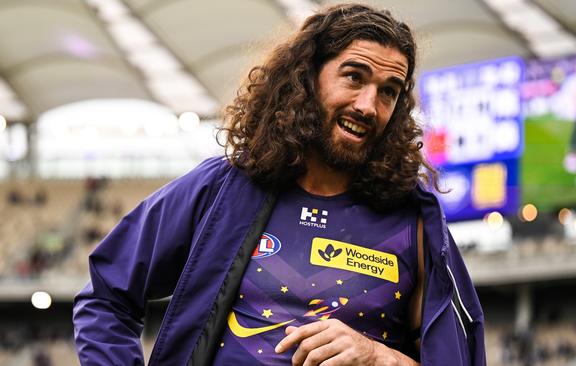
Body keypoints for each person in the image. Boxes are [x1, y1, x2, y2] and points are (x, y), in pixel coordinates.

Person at [72, 3, 485, 365]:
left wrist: (380, 357)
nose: (367, 106)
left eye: (388, 92)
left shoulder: (416, 223)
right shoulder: (221, 190)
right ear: (307, 79)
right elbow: (106, 296)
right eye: (354, 77)